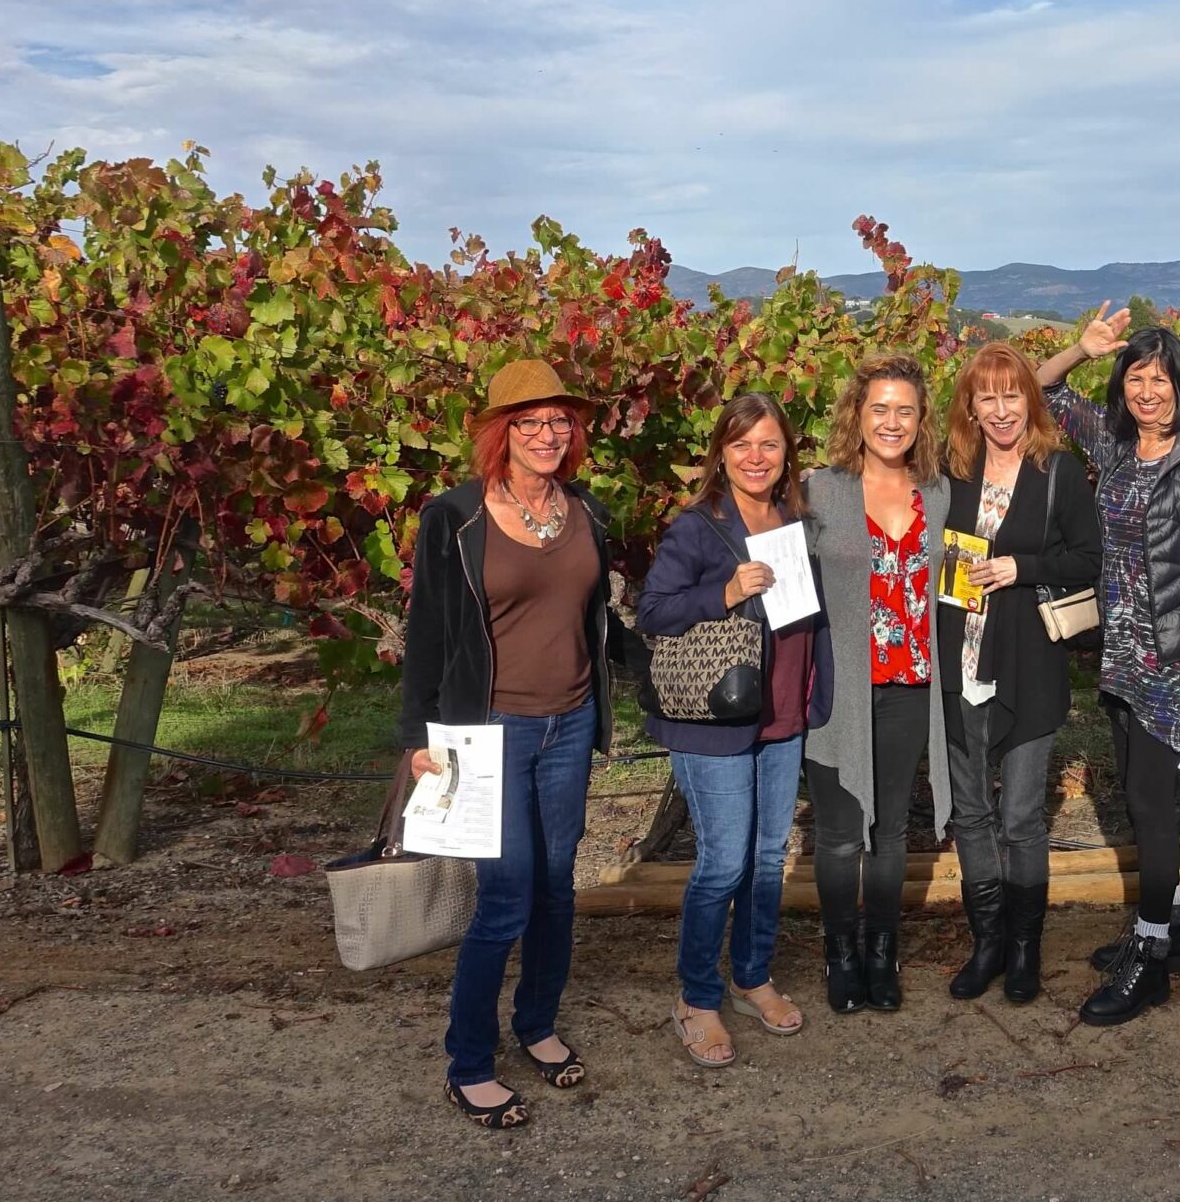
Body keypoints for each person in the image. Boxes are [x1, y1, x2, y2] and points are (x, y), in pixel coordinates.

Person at [398, 359, 628, 1130]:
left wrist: (691, 641)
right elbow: (426, 635)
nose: (547, 434)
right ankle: (468, 1061)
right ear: (501, 433)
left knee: (557, 888)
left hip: (570, 725)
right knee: (505, 899)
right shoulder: (453, 516)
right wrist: (415, 738)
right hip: (486, 734)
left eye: (559, 421)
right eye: (529, 422)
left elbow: (602, 623)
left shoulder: (585, 509)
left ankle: (536, 1024)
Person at [1037, 310, 1180, 1026]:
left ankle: (1150, 957)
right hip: (1118, 657)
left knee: (1153, 808)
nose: (1148, 392)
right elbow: (1040, 390)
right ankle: (1172, 932)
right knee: (1135, 799)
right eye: (1136, 378)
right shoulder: (1117, 445)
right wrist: (1082, 350)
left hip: (1172, 661)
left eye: (1161, 379)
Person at [637, 392, 832, 1066]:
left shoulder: (795, 521)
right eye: (742, 444)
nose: (756, 457)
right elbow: (653, 612)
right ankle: (696, 996)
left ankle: (751, 976)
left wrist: (818, 694)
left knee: (767, 858)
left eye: (769, 445)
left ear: (786, 457)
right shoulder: (698, 527)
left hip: (781, 715)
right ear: (721, 452)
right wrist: (722, 594)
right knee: (723, 864)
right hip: (712, 722)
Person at [936, 345, 1104, 1004]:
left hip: (1029, 667)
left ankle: (1027, 948)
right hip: (961, 660)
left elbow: (1088, 560)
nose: (1001, 409)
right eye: (988, 397)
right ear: (971, 407)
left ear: (1029, 403)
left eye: (1013, 396)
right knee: (972, 815)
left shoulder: (1056, 472)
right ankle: (989, 944)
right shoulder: (951, 473)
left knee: (1022, 818)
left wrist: (1020, 568)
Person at [802, 354, 953, 1014]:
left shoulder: (940, 492)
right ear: (857, 416)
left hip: (912, 688)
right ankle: (840, 954)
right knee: (837, 834)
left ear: (922, 421)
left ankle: (882, 954)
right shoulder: (819, 490)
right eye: (879, 409)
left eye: (905, 410)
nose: (892, 422)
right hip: (837, 688)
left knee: (890, 831)